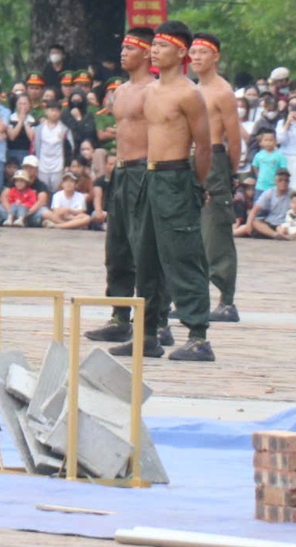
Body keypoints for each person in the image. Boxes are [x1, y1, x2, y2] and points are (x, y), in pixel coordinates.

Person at [134, 23, 214, 362]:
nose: (154, 51)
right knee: (146, 259)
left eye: (162, 46)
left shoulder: (189, 93)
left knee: (183, 256)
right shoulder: (150, 91)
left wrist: (194, 185)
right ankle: (148, 334)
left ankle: (198, 336)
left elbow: (204, 145)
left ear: (181, 52)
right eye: (153, 45)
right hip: (150, 178)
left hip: (176, 176)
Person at [85, 28, 157, 345]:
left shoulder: (154, 90)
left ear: (146, 53)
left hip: (145, 170)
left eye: (130, 48)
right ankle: (118, 315)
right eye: (123, 47)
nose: (123, 53)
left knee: (146, 249)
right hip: (122, 171)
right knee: (117, 249)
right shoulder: (121, 90)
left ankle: (156, 320)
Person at [188, 33, 243, 321]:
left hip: (216, 158)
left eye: (202, 53)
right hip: (191, 157)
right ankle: (191, 295)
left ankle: (226, 299)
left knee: (215, 230)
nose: (196, 57)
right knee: (190, 228)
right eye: (193, 52)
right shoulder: (191, 88)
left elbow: (234, 140)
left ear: (215, 57)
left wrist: (229, 171)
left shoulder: (222, 92)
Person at [234, 169, 294, 239]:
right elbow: (254, 210)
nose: (283, 182)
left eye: (286, 180)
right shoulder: (269, 192)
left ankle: (279, 235)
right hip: (270, 224)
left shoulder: (292, 194)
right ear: (275, 181)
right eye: (280, 180)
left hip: (286, 224)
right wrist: (248, 225)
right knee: (255, 222)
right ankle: (276, 235)